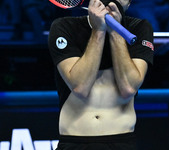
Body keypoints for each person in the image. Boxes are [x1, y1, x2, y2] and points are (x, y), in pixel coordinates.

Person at [48, 0, 154, 149]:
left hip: (121, 141)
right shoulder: (64, 26)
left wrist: (115, 33)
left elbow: (129, 88)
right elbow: (80, 87)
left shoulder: (140, 28)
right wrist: (98, 30)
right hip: (75, 142)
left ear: (128, 4)